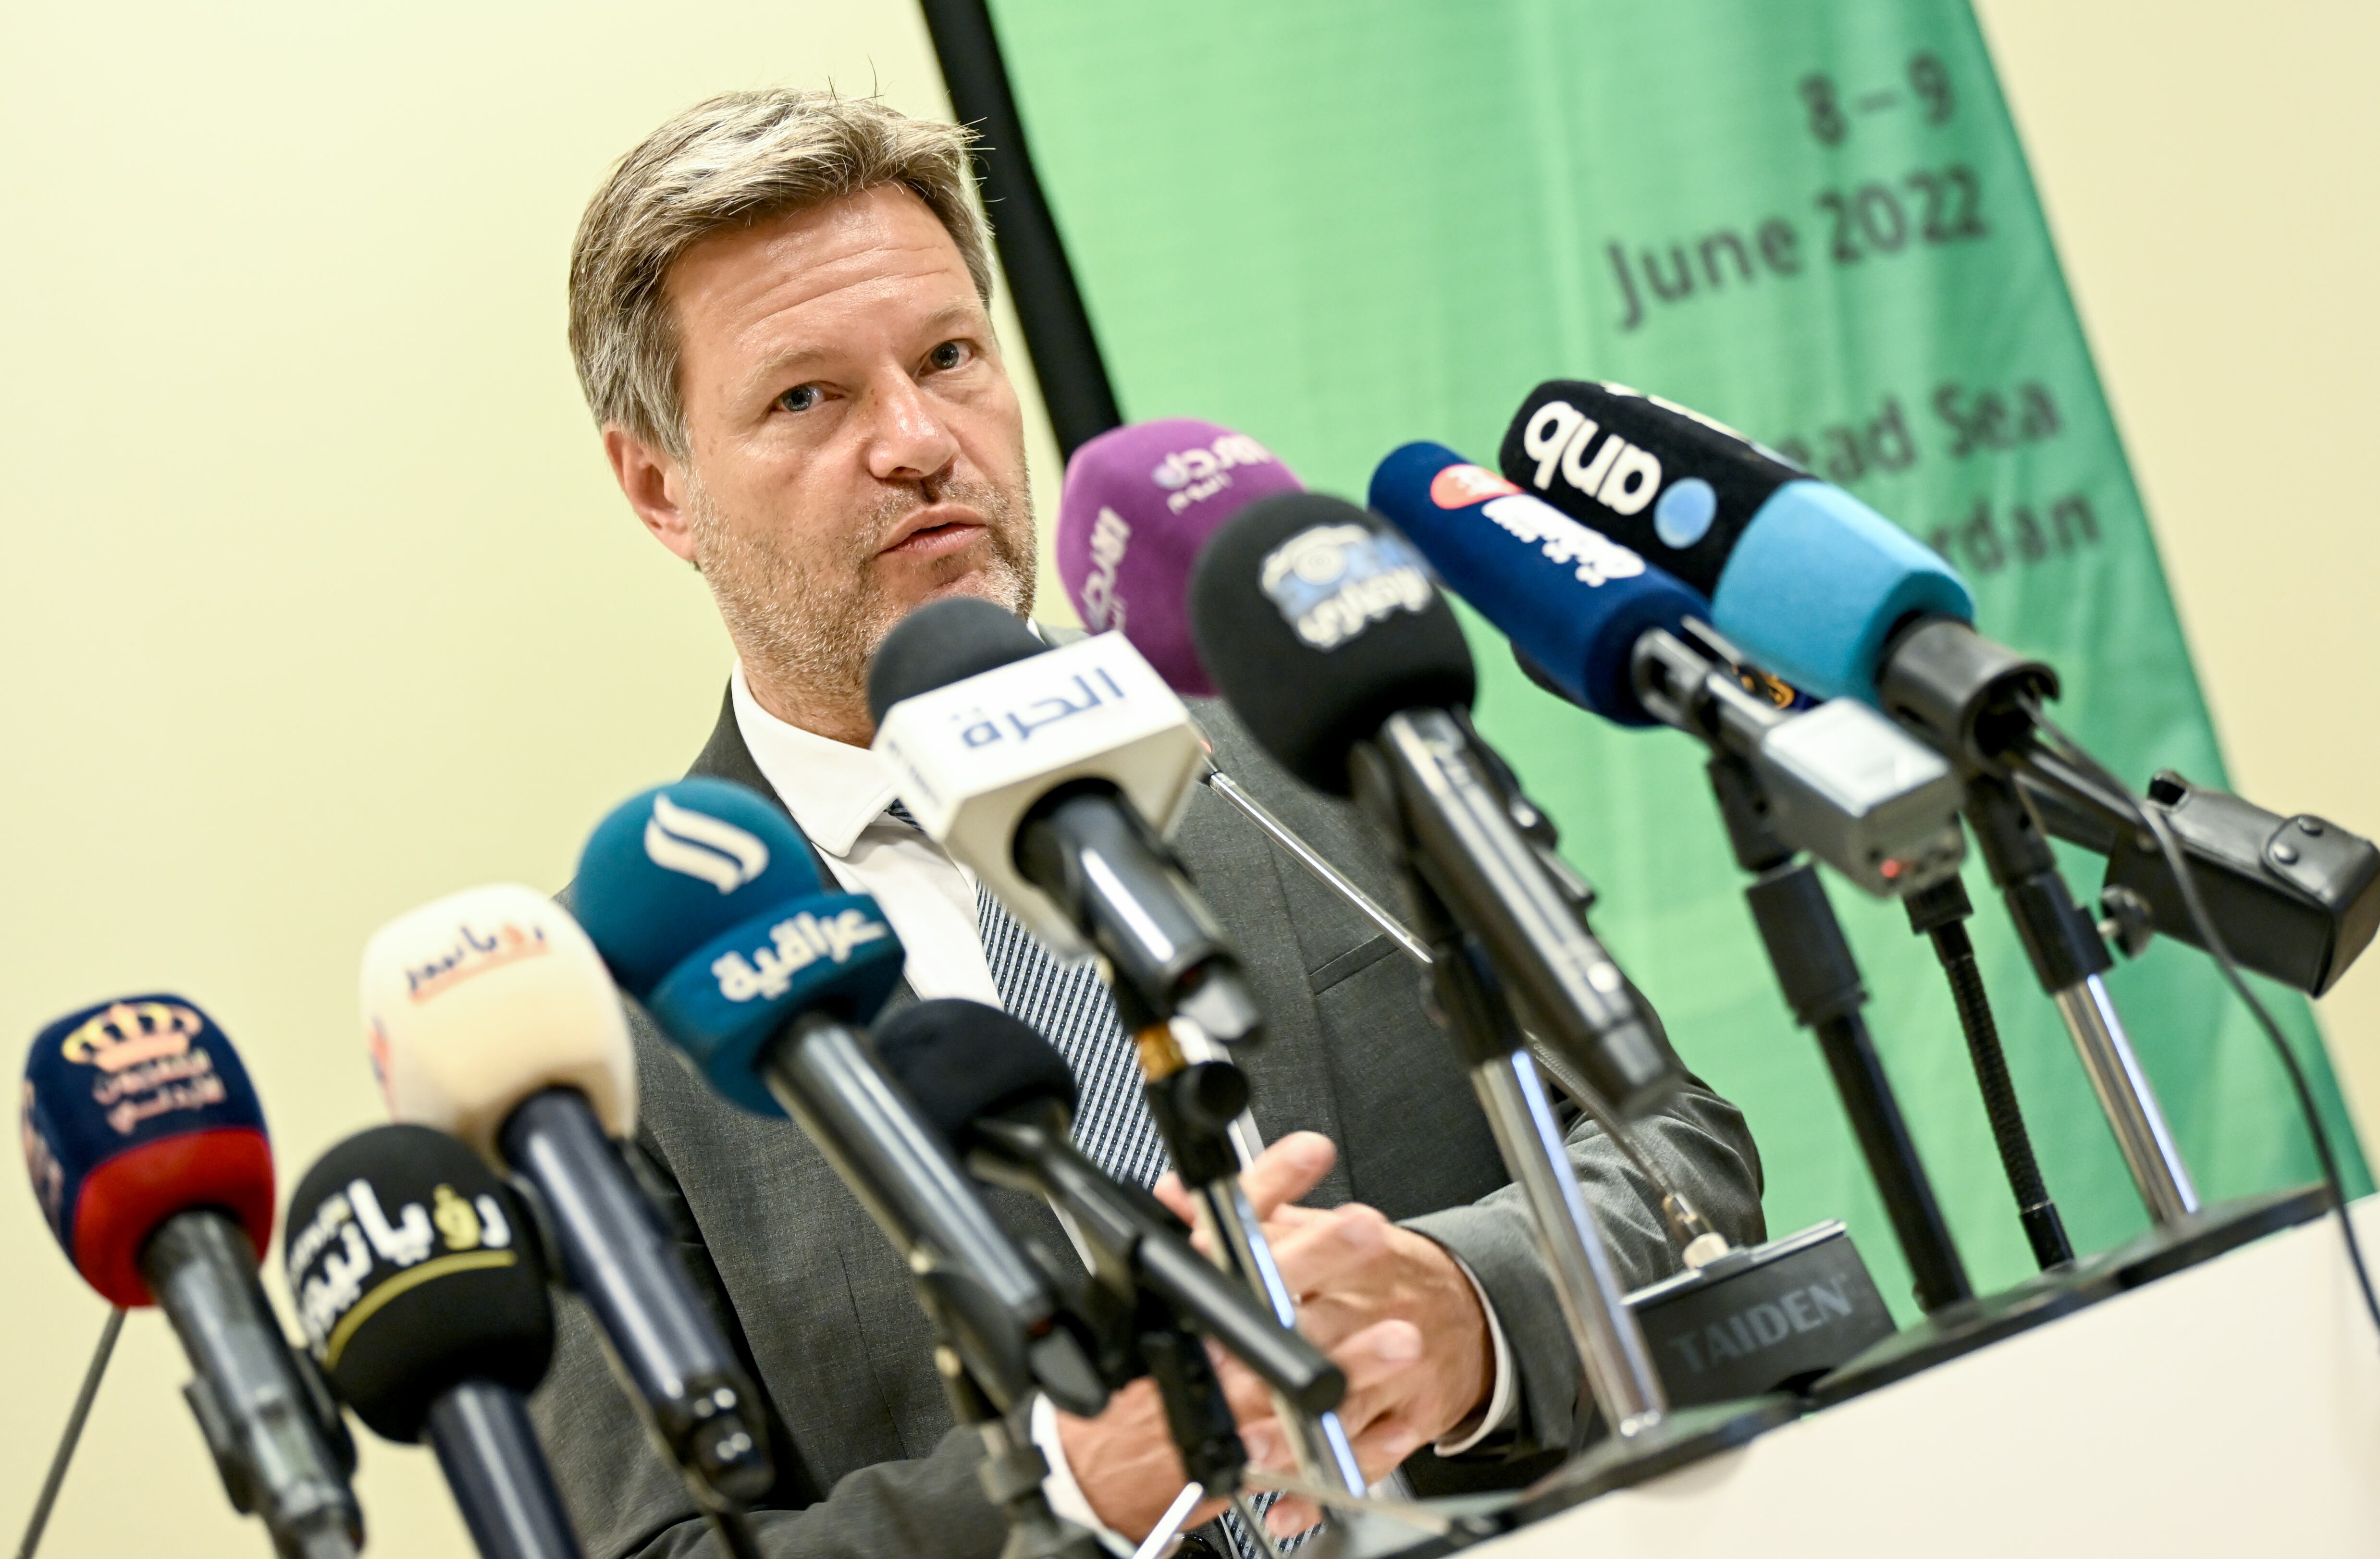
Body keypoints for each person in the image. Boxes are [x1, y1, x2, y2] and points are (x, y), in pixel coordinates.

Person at [539, 86, 1765, 1558]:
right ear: (659, 486)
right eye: (809, 398)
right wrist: (1064, 1483)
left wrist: (1468, 1303)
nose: (922, 442)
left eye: (949, 357)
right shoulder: (596, 1039)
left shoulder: (1307, 742)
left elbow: (1679, 1155)